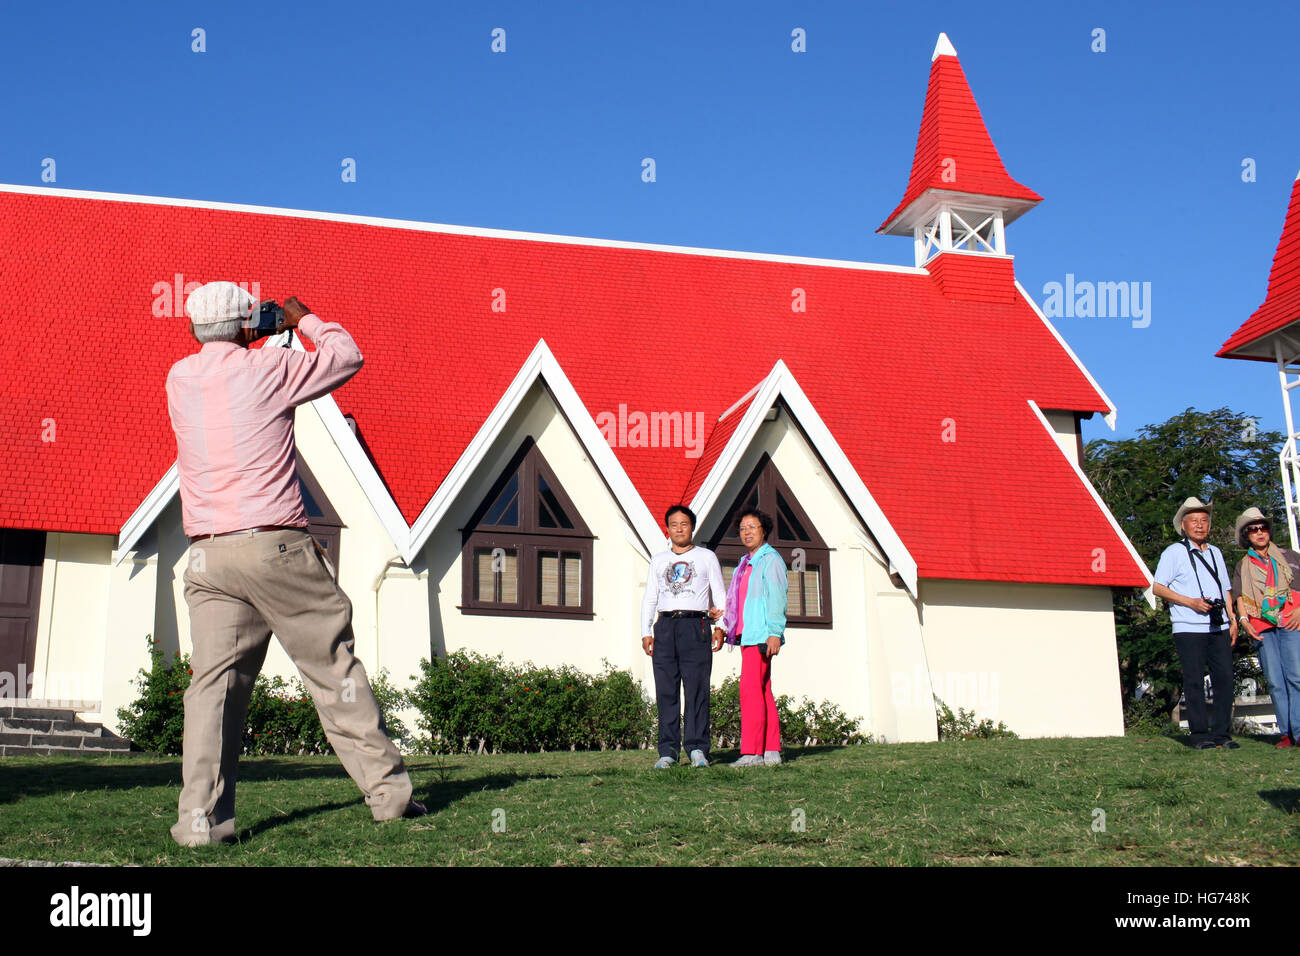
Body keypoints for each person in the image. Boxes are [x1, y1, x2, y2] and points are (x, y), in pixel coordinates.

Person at [166, 281, 424, 847]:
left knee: (213, 689)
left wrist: (256, 334)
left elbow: (224, 361)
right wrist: (302, 320)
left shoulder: (179, 380)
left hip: (208, 553)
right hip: (274, 544)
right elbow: (346, 356)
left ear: (191, 329)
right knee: (333, 670)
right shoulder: (268, 370)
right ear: (244, 326)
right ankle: (389, 794)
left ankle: (199, 822)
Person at [640, 505, 726, 768]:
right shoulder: (658, 560)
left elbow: (720, 594)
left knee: (697, 689)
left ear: (692, 527)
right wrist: (646, 631)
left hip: (696, 626)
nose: (679, 528)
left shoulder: (706, 557)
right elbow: (651, 597)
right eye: (674, 524)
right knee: (666, 690)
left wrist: (720, 626)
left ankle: (698, 748)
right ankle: (667, 751)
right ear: (667, 529)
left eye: (684, 524)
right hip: (665, 626)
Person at [1152, 497, 1240, 750]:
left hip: (1218, 625)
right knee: (1194, 680)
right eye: (1194, 521)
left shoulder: (1216, 553)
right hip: (1188, 626)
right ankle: (1200, 734)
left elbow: (1226, 589)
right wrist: (1190, 602)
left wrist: (1232, 619)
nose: (1200, 526)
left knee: (1224, 678)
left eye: (1204, 520)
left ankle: (1223, 734)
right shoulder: (1174, 552)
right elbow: (1157, 587)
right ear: (1183, 525)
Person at [715, 508, 788, 767]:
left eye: (752, 527)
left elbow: (778, 598)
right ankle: (771, 751)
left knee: (749, 691)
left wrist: (774, 633)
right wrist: (723, 619)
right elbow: (737, 600)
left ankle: (752, 752)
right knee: (762, 690)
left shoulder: (771, 560)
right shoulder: (745, 563)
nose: (746, 533)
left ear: (763, 530)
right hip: (746, 635)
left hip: (761, 634)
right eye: (743, 528)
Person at [1230, 507, 1300, 748]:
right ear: (1247, 535)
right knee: (1275, 680)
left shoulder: (1289, 556)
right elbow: (1239, 596)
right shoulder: (1243, 565)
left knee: (1296, 676)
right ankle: (1286, 733)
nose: (1260, 533)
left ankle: (1298, 732)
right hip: (1260, 625)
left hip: (1291, 620)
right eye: (1253, 529)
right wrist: (1244, 621)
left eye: (1263, 528)